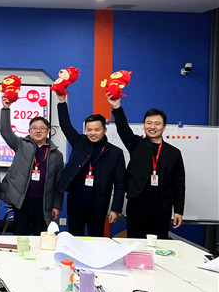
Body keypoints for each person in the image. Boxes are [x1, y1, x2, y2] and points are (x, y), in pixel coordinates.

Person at [107, 95, 185, 239]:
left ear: (164, 127)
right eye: (149, 123)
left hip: (162, 208)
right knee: (136, 242)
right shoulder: (136, 144)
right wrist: (116, 107)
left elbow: (179, 184)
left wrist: (178, 210)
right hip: (137, 205)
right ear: (144, 126)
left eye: (157, 124)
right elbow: (123, 129)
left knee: (159, 243)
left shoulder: (174, 153)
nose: (152, 127)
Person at [56, 94, 125, 236]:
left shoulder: (115, 153)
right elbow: (65, 125)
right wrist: (62, 101)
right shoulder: (79, 142)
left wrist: (115, 209)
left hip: (99, 205)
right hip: (76, 203)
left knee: (97, 239)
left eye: (97, 130)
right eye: (89, 130)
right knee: (74, 238)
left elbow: (120, 183)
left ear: (105, 130)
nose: (93, 133)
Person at [0, 97, 63, 236]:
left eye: (42, 128)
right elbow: (5, 132)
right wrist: (6, 109)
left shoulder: (56, 155)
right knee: (20, 238)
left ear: (48, 131)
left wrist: (56, 205)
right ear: (29, 130)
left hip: (43, 204)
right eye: (34, 128)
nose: (38, 131)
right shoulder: (21, 144)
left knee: (40, 239)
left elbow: (58, 183)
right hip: (22, 202)